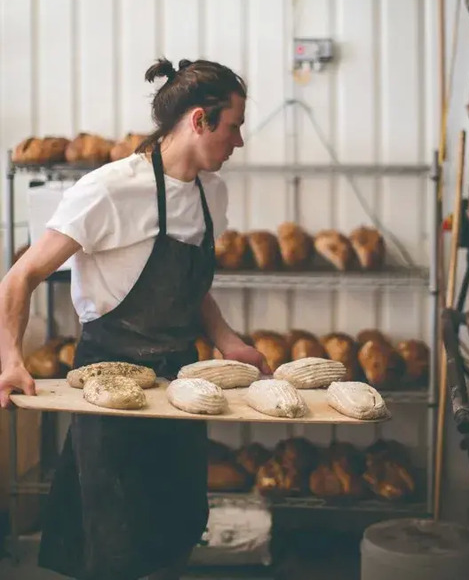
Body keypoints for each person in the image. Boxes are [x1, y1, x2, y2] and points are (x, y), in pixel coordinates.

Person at [0, 57, 270, 580]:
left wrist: (227, 340)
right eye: (233, 126)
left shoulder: (212, 193)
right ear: (199, 120)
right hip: (108, 388)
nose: (238, 141)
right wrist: (9, 357)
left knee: (176, 528)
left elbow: (190, 290)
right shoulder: (109, 190)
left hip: (183, 385)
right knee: (113, 540)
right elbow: (20, 277)